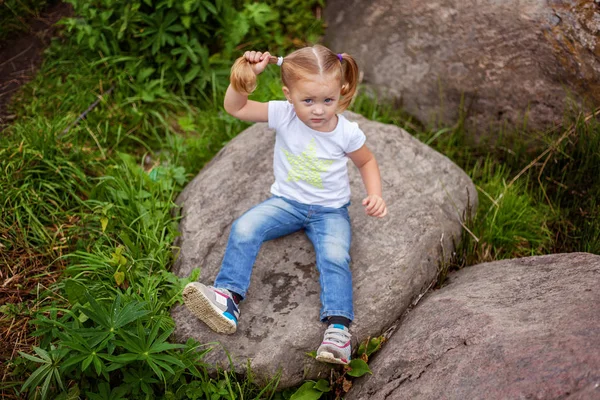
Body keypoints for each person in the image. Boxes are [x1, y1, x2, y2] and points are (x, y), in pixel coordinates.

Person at [183, 44, 387, 365]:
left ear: (341, 92)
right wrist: (244, 78)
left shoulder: (346, 132)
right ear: (288, 94)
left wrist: (375, 193)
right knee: (246, 227)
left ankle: (337, 330)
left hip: (330, 211)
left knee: (334, 256)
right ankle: (228, 298)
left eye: (327, 100)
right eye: (308, 100)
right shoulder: (283, 113)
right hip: (287, 203)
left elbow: (367, 162)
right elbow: (236, 109)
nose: (318, 110)